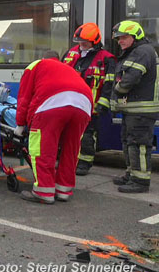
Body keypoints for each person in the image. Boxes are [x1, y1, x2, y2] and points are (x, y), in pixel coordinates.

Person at [15, 58, 92, 204]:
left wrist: (20, 124)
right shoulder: (65, 68)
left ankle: (43, 191)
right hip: (84, 103)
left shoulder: (33, 66)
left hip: (52, 103)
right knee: (71, 149)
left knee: (42, 149)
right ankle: (63, 190)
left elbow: (24, 98)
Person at [61, 23, 116, 176]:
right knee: (68, 134)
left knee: (86, 135)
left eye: (85, 43)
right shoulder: (71, 53)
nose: (81, 45)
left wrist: (102, 104)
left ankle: (84, 163)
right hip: (69, 102)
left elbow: (109, 84)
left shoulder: (107, 59)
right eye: (79, 42)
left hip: (90, 105)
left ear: (95, 41)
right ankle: (69, 161)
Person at [110, 20, 157, 193]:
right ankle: (131, 174)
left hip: (141, 111)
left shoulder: (142, 51)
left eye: (124, 37)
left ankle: (141, 181)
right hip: (134, 110)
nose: (120, 41)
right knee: (130, 142)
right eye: (118, 38)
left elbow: (129, 79)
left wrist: (117, 90)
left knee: (139, 144)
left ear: (135, 36)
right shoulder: (137, 51)